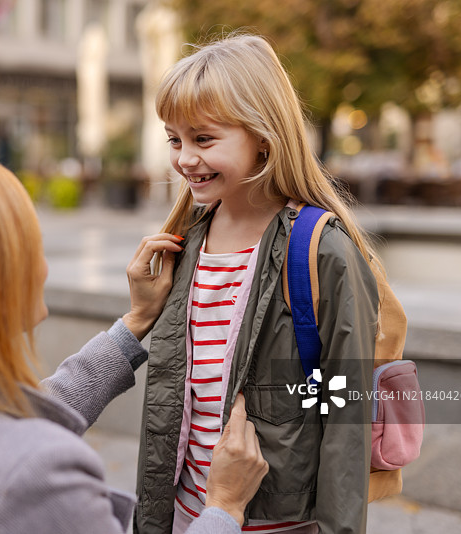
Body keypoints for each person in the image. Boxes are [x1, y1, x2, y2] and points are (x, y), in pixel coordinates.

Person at [0, 147, 269, 534]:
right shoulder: (38, 476)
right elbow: (13, 451)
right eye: (32, 247)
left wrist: (135, 322)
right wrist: (223, 507)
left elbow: (6, 422)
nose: (44, 268)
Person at [134, 33, 378, 534]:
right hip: (188, 516)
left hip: (277, 523)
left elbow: (345, 412)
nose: (183, 159)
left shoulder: (320, 250)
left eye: (203, 139)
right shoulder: (184, 242)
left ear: (263, 137)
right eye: (174, 139)